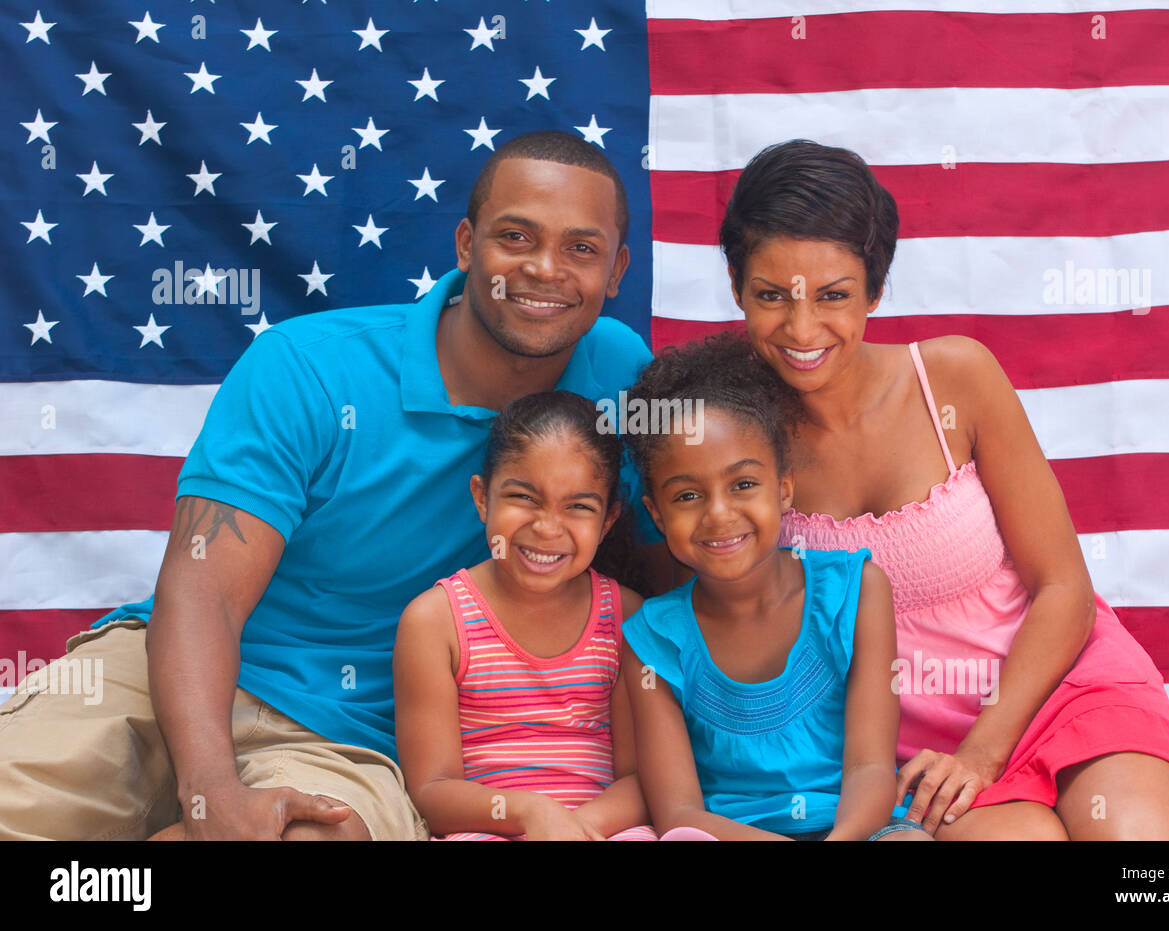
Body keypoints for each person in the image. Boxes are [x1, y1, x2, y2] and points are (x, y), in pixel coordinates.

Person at [0, 131, 668, 841]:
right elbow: (202, 591)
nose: (545, 269)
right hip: (173, 670)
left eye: (581, 249)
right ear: (467, 245)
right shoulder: (307, 366)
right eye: (516, 236)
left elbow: (676, 570)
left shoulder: (620, 378)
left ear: (618, 269)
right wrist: (210, 789)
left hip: (351, 740)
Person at [722, 138, 1169, 840]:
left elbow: (1065, 587)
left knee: (1144, 863)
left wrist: (984, 750)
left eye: (835, 296)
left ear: (875, 290)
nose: (803, 327)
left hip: (1060, 685)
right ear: (736, 288)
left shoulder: (955, 380)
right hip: (912, 748)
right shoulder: (734, 434)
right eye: (771, 296)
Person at [619, 333, 929, 841]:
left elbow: (870, 767)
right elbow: (679, 814)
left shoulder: (856, 591)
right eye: (688, 495)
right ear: (655, 513)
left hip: (857, 830)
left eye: (743, 484)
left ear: (784, 488)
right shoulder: (653, 640)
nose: (719, 515)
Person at [395, 391, 656, 841]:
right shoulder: (435, 622)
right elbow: (432, 791)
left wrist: (575, 829)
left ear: (608, 520)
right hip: (484, 830)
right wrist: (530, 816)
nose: (547, 527)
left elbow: (643, 779)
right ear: (482, 497)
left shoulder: (627, 618)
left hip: (604, 831)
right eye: (524, 497)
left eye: (578, 506)